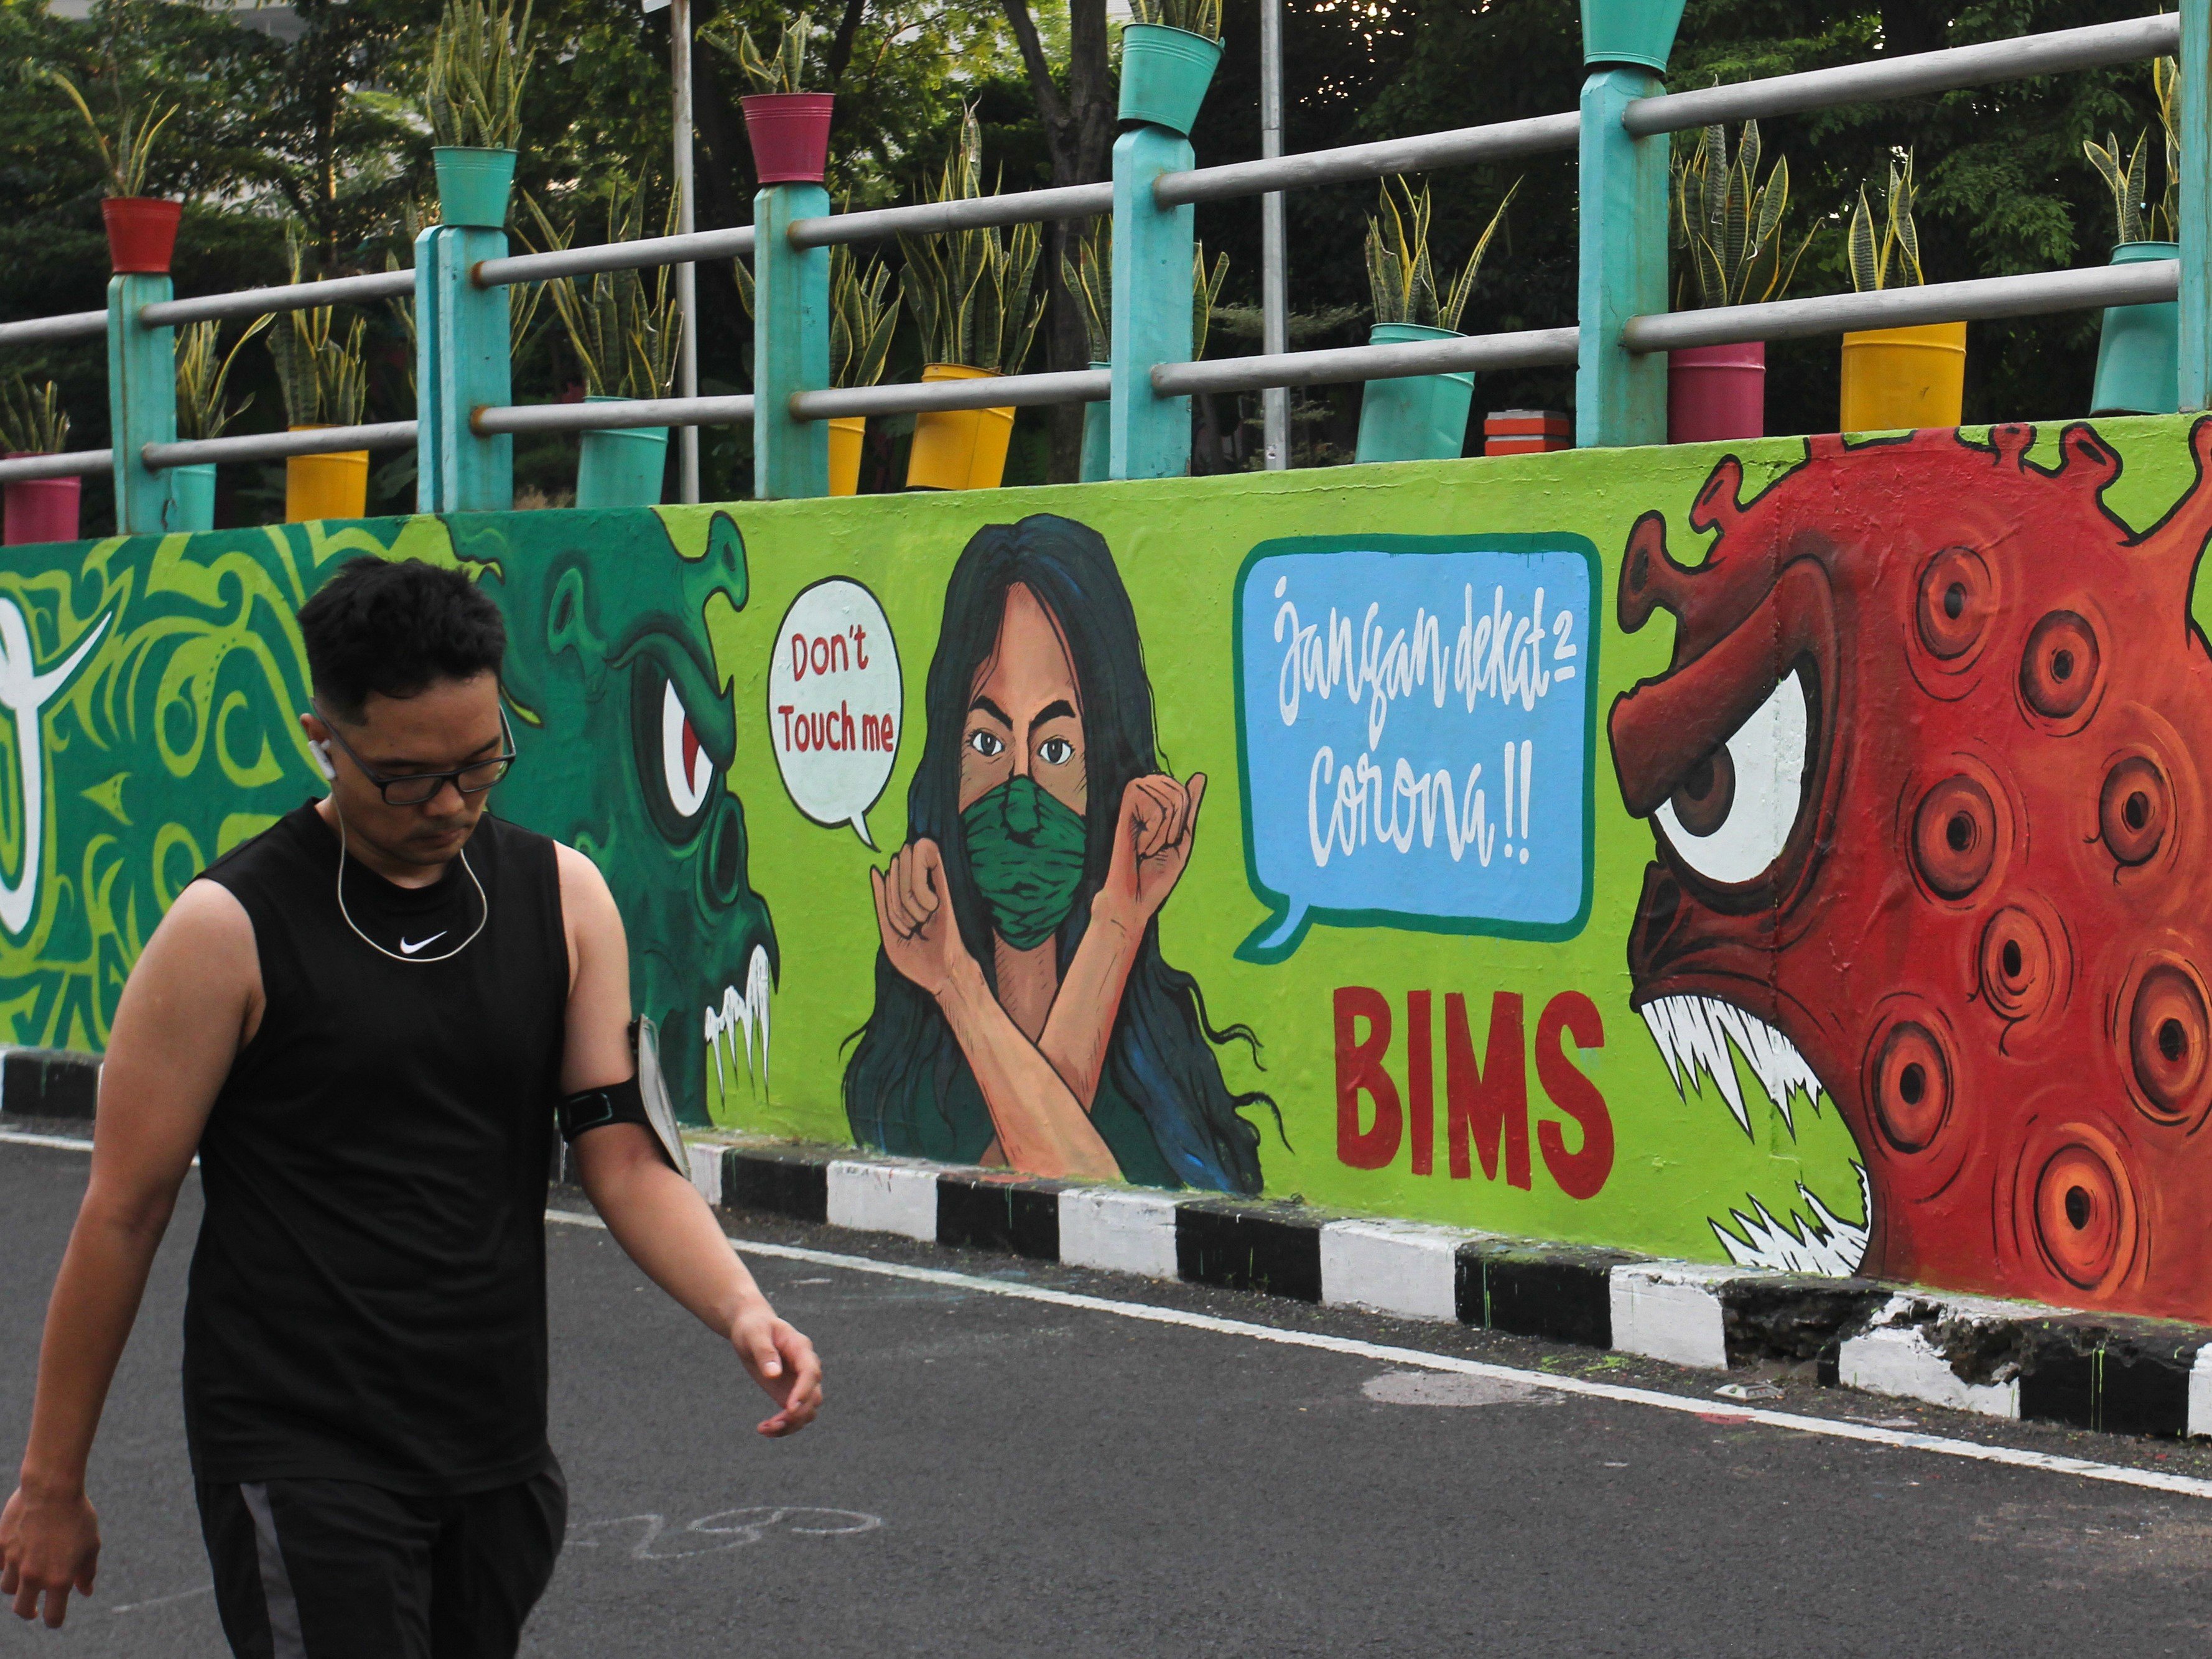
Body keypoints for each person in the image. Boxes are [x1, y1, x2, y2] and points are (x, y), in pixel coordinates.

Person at [0, 557, 820, 1655]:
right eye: (406, 777)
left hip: (495, 1454)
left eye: (479, 765)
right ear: (323, 739)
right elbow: (123, 1209)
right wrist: (52, 1480)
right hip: (301, 1451)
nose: (449, 803)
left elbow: (625, 1157)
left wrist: (742, 1306)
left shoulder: (565, 899)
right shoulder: (226, 931)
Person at [844, 513, 1273, 1192]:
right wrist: (955, 979)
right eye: (988, 744)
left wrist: (1118, 919)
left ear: (1104, 764)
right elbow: (1016, 1197)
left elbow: (1082, 1192)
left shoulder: (1167, 1093)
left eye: (1055, 750)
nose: (1020, 806)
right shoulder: (908, 1089)